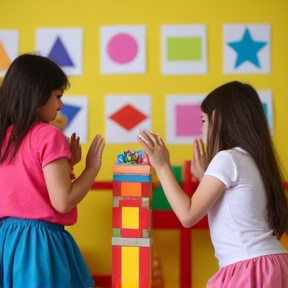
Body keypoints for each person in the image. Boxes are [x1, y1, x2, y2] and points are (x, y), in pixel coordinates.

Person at [137, 81, 288, 288]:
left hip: (248, 266)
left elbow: (188, 215)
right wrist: (204, 178)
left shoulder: (227, 159)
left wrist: (162, 165)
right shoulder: (256, 160)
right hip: (275, 262)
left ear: (216, 118)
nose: (202, 129)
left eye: (203, 120)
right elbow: (236, 206)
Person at [0, 53, 105, 288]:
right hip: (39, 244)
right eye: (57, 96)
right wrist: (91, 168)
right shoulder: (48, 135)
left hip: (6, 241)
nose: (60, 105)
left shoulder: (4, 135)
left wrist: (68, 166)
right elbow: (63, 201)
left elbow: (25, 185)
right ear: (36, 94)